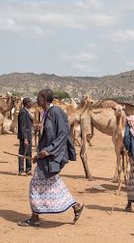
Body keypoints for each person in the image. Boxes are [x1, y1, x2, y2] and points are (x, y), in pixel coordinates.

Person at [18, 89, 84, 227]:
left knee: (35, 184)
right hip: (48, 156)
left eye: (39, 97)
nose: (36, 99)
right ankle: (75, 206)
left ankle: (35, 217)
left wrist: (48, 151)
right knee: (54, 184)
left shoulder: (56, 112)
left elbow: (62, 134)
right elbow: (47, 138)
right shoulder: (45, 113)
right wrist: (39, 156)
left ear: (45, 98)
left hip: (55, 156)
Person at [17, 97, 33, 176]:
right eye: (30, 102)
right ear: (27, 103)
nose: (32, 103)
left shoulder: (27, 112)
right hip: (25, 136)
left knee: (29, 153)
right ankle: (21, 170)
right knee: (22, 153)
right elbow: (22, 126)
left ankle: (28, 169)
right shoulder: (23, 112)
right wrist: (25, 138)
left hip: (29, 135)